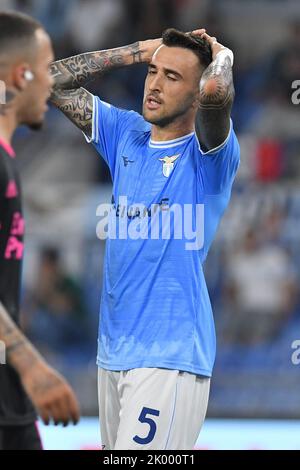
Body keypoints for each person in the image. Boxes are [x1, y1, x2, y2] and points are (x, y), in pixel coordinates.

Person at [51, 27, 240, 450]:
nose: (154, 84)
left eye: (172, 77)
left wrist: (222, 56)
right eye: (153, 72)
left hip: (169, 358)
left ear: (194, 94)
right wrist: (138, 51)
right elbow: (47, 81)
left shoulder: (211, 156)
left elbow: (215, 92)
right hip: (113, 355)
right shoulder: (125, 134)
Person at [0, 11, 79, 451]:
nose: (53, 82)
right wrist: (31, 364)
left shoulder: (8, 159)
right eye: (48, 68)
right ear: (21, 73)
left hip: (10, 398)